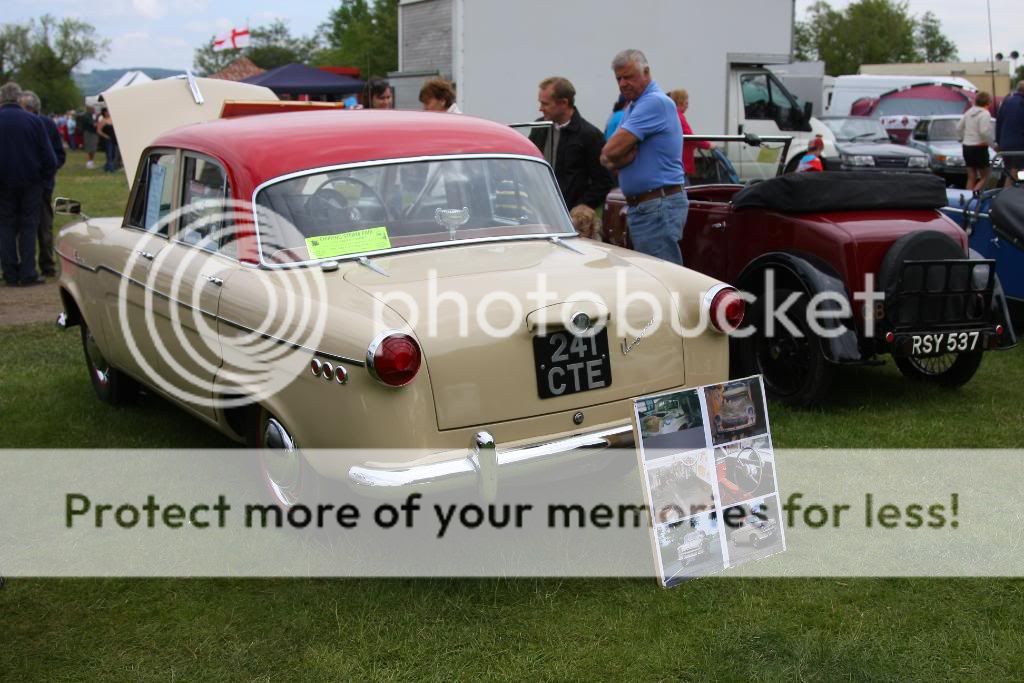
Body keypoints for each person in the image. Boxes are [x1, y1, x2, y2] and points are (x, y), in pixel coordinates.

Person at [600, 49, 686, 265]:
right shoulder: (634, 106)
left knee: (661, 279)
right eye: (618, 78)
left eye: (628, 76)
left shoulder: (654, 103)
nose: (622, 84)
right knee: (654, 276)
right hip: (648, 205)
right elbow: (606, 156)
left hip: (656, 205)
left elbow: (609, 152)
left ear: (646, 72)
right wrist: (618, 158)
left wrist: (616, 158)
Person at [528, 77, 613, 238]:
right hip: (540, 217)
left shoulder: (590, 135)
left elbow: (604, 181)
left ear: (564, 103)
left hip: (572, 224)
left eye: (545, 104)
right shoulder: (539, 128)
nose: (540, 108)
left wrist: (580, 209)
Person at [0, 81, 56, 286]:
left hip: (3, 183)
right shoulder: (33, 121)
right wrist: (43, 180)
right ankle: (28, 271)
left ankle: (9, 271)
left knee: (5, 226)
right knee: (29, 226)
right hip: (31, 183)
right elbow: (50, 159)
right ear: (18, 97)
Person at [19, 90, 66, 278]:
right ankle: (23, 264)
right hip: (25, 183)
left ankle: (47, 264)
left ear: (30, 108)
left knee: (44, 226)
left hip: (41, 184)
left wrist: (46, 178)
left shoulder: (46, 124)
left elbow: (58, 156)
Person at [668, 89, 713, 183]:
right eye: (686, 103)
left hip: (679, 162)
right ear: (680, 102)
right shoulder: (679, 117)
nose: (688, 106)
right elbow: (691, 137)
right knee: (686, 191)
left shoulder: (674, 115)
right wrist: (708, 145)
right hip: (681, 163)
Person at [957, 92, 995, 192]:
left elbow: (959, 127)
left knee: (971, 176)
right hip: (979, 147)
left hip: (966, 146)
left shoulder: (969, 112)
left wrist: (962, 138)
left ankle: (966, 198)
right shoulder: (985, 113)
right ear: (988, 103)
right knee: (986, 176)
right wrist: (992, 145)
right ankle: (975, 196)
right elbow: (984, 132)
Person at [996, 80, 1024, 187]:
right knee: (1017, 172)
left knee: (1011, 173)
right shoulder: (1022, 103)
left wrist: (998, 142)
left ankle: (1006, 195)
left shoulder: (1006, 102)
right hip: (1020, 145)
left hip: (1005, 144)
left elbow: (999, 123)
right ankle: (1016, 196)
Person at [96, 108, 119, 173]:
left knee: (113, 154)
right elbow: (98, 131)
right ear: (104, 113)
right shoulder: (103, 121)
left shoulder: (112, 119)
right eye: (106, 112)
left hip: (114, 139)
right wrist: (105, 136)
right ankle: (111, 169)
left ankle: (106, 167)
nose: (108, 113)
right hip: (108, 140)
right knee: (109, 154)